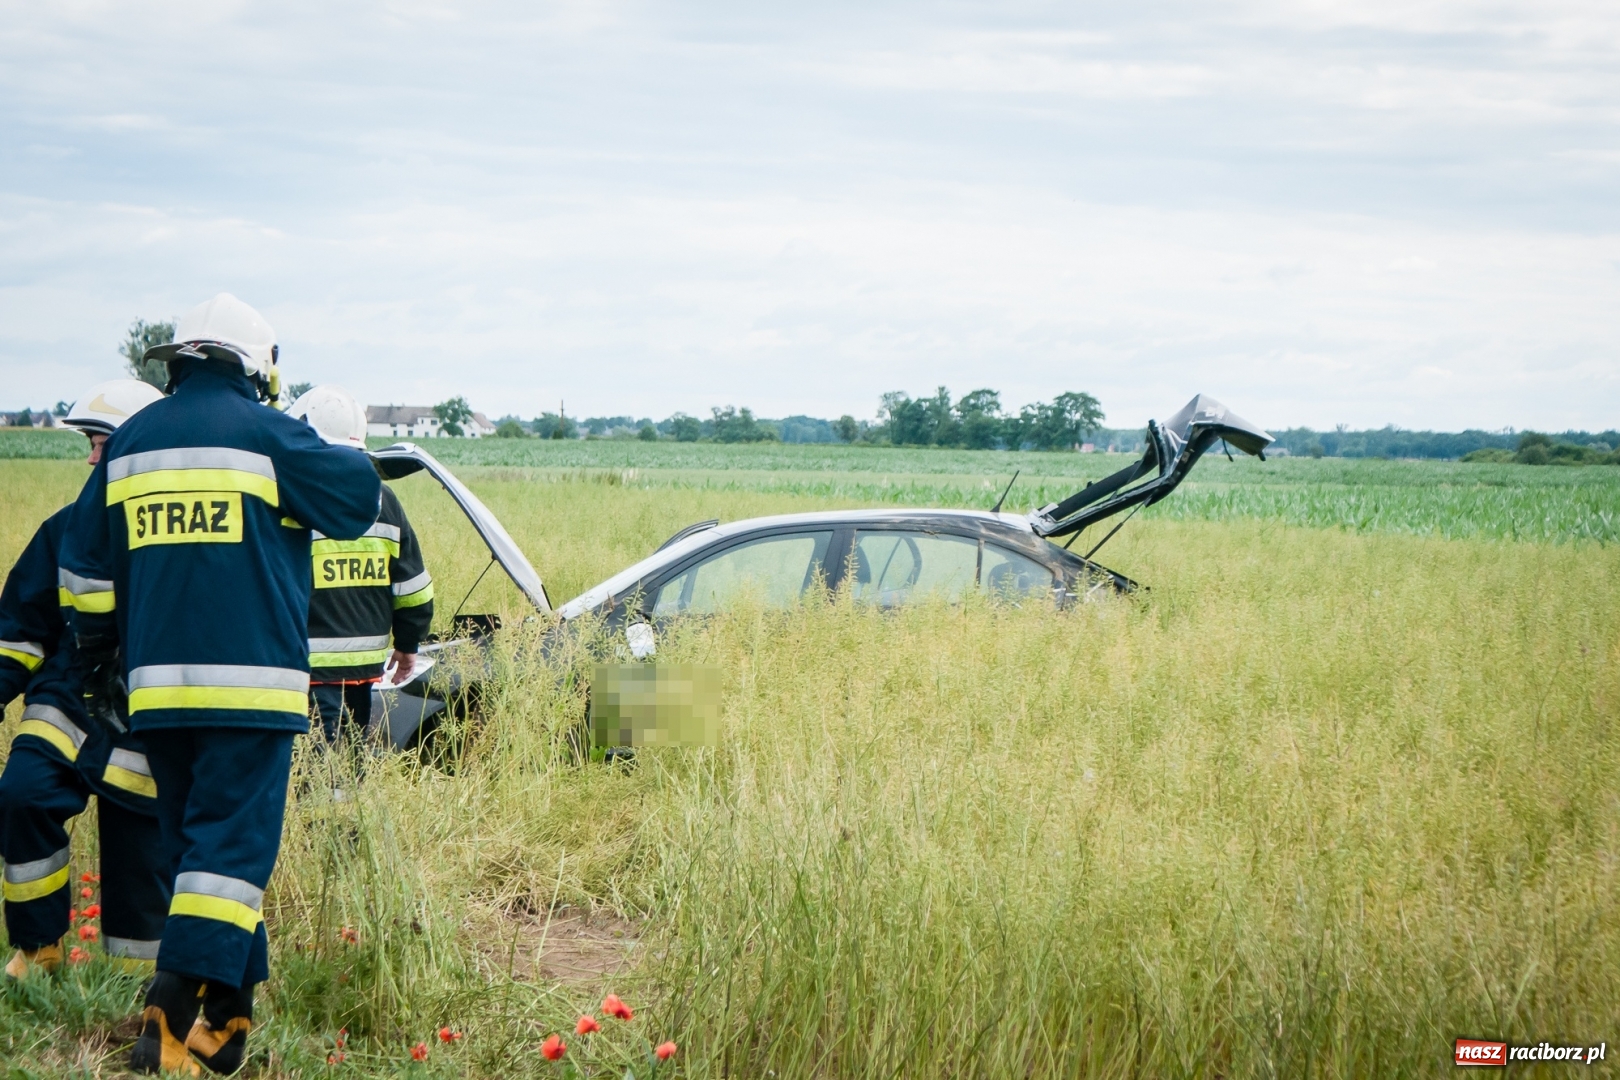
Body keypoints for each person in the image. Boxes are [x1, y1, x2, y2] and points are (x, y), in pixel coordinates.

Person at [61, 294, 381, 1076]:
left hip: (156, 695)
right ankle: (166, 1020)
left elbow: (84, 570)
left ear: (180, 359)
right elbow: (357, 500)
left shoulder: (131, 441)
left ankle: (228, 1022)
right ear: (257, 366)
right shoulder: (268, 434)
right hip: (251, 696)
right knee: (231, 855)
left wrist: (100, 656)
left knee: (198, 857)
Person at [0, 379, 170, 980]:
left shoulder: (175, 542)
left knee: (139, 856)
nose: (91, 458)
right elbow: (20, 628)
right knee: (22, 796)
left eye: (102, 444)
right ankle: (38, 949)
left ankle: (133, 986)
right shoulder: (64, 528)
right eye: (91, 445)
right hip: (66, 705)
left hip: (144, 717)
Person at [287, 385, 433, 759]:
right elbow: (413, 587)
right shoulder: (385, 500)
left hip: (305, 664)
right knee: (350, 756)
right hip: (363, 666)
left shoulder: (291, 495)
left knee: (315, 763)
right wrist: (408, 643)